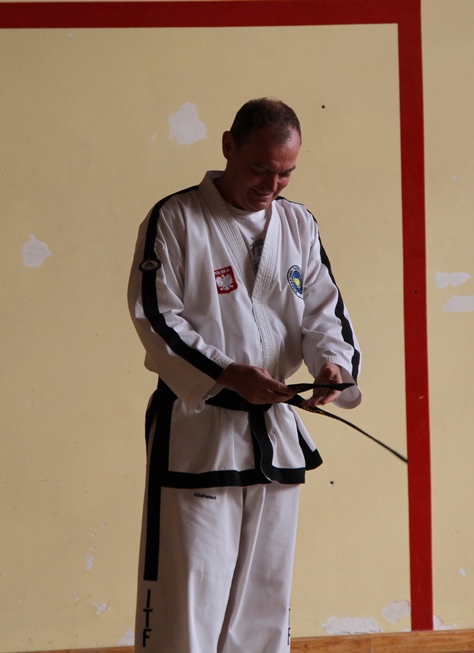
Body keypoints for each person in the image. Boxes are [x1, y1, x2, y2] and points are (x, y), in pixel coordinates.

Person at [128, 98, 362, 653]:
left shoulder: (298, 223)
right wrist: (228, 373)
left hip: (274, 432)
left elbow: (324, 311)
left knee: (265, 599)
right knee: (192, 598)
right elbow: (157, 317)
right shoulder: (176, 218)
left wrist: (331, 365)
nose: (271, 185)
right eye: (260, 169)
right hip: (200, 428)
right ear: (229, 146)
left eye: (285, 174)